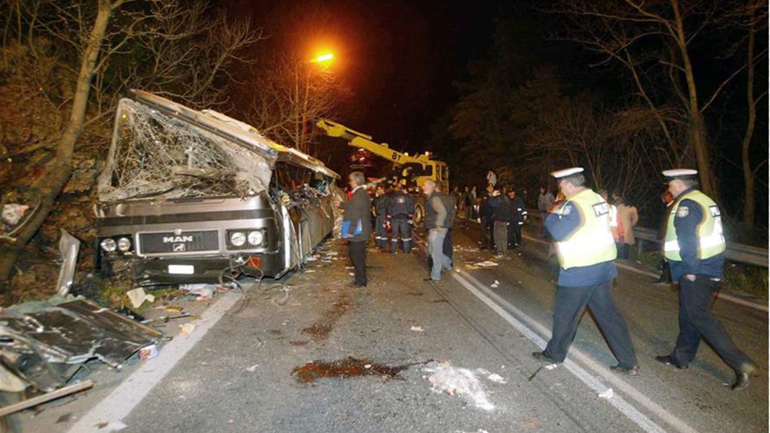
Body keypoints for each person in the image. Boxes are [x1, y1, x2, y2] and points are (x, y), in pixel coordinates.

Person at [655, 169, 759, 391]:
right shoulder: (704, 200)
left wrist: (690, 270)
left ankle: (740, 363)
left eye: (671, 183)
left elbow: (688, 239)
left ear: (680, 184)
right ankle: (680, 358)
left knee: (699, 317)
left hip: (697, 270)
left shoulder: (687, 204)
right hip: (707, 266)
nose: (669, 188)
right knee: (689, 314)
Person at [533, 167, 639, 375]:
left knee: (565, 316)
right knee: (609, 316)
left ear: (569, 185)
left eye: (561, 185)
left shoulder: (574, 205)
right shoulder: (598, 200)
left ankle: (554, 354)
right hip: (604, 268)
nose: (561, 189)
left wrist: (552, 214)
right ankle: (629, 362)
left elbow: (557, 231)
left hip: (581, 271)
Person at [336, 172, 372, 288]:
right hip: (360, 231)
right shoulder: (361, 194)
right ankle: (360, 279)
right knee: (357, 256)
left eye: (351, 181)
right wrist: (342, 204)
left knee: (356, 256)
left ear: (355, 181)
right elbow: (354, 208)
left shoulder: (358, 195)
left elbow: (353, 216)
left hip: (357, 232)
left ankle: (361, 281)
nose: (350, 183)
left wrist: (346, 233)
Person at [423, 180, 453, 281]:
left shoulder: (434, 198)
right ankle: (448, 263)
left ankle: (435, 275)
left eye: (425, 185)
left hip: (437, 228)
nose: (423, 187)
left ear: (432, 187)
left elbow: (442, 211)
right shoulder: (436, 197)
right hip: (438, 226)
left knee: (435, 252)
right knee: (432, 251)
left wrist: (439, 225)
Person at [387, 184, 415, 254]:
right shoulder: (407, 197)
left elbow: (389, 207)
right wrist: (410, 216)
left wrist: (389, 217)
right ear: (402, 189)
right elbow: (410, 207)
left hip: (395, 218)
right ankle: (406, 250)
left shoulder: (392, 197)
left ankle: (393, 250)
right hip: (404, 217)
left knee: (394, 235)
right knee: (405, 234)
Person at [654, 190, 674, 285]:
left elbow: (666, 223)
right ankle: (668, 277)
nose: (663, 199)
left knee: (666, 256)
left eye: (665, 197)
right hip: (667, 235)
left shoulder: (671, 208)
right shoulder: (669, 207)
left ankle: (665, 277)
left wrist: (663, 235)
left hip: (668, 236)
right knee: (666, 256)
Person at [612, 191, 638, 260]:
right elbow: (635, 219)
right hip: (627, 227)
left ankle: (618, 258)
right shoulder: (633, 208)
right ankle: (625, 259)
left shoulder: (620, 206)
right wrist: (632, 224)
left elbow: (615, 214)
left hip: (618, 226)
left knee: (619, 243)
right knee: (626, 244)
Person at [489, 188, 511, 257]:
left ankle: (500, 251)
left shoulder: (498, 199)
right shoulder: (506, 198)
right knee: (504, 236)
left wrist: (492, 196)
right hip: (505, 220)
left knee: (497, 236)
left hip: (499, 220)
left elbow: (491, 203)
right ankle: (504, 251)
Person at [372, 185, 390, 251]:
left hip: (383, 215)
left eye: (379, 189)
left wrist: (387, 218)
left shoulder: (386, 198)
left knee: (383, 230)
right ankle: (378, 244)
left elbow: (388, 207)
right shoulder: (378, 198)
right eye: (377, 189)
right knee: (377, 230)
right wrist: (376, 197)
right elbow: (373, 204)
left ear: (383, 190)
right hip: (378, 216)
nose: (378, 191)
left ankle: (383, 245)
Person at [479, 185, 495, 250]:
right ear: (487, 188)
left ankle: (492, 244)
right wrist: (479, 215)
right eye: (489, 187)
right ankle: (483, 244)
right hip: (485, 215)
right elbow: (481, 206)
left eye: (492, 187)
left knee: (492, 231)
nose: (490, 189)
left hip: (493, 216)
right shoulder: (484, 196)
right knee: (483, 231)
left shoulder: (495, 197)